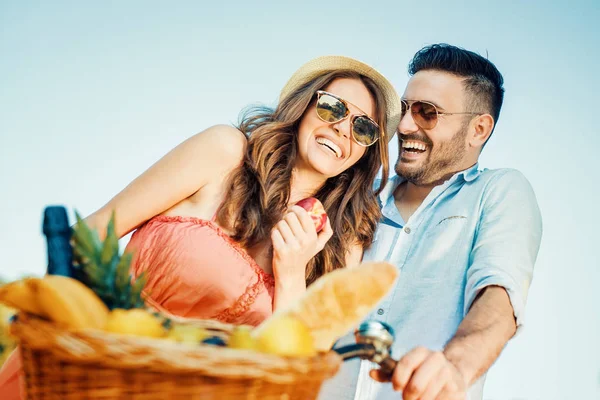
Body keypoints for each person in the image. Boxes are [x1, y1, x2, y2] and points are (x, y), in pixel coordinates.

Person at [0, 55, 401, 399]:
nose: (343, 129)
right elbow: (93, 232)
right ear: (304, 106)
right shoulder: (224, 153)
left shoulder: (339, 245)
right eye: (333, 108)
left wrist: (292, 271)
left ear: (367, 151)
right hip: (86, 372)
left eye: (364, 128)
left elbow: (289, 376)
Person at [318, 44, 543, 400]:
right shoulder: (356, 197)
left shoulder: (498, 191)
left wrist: (455, 365)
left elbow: (498, 299)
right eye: (406, 109)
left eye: (428, 113)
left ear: (478, 130)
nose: (405, 126)